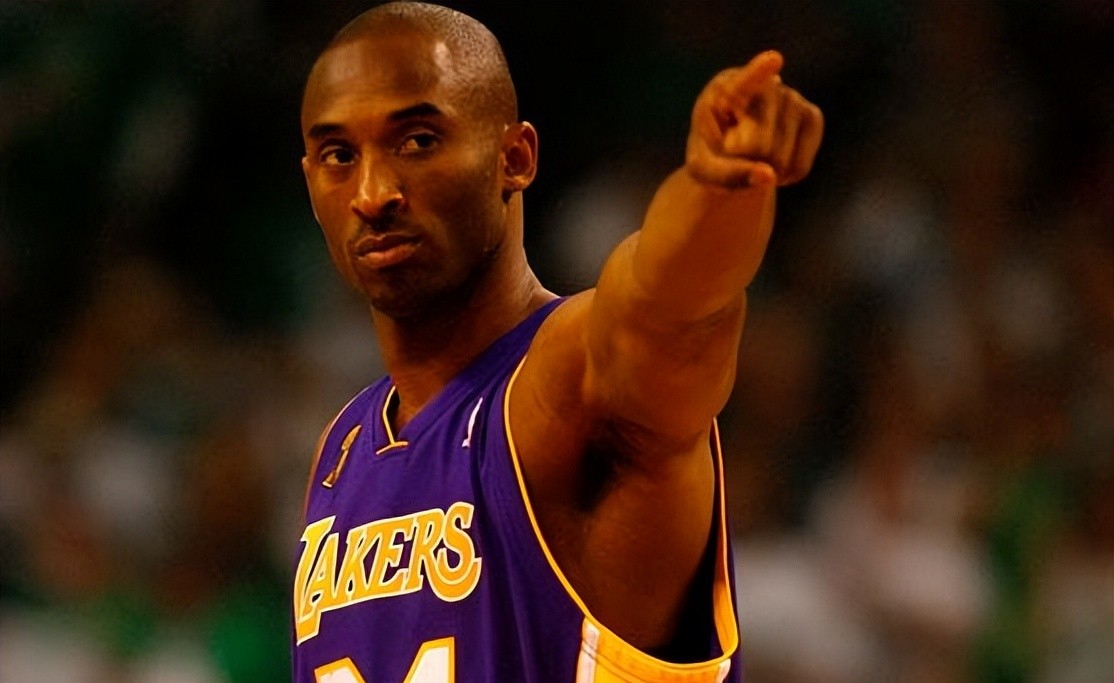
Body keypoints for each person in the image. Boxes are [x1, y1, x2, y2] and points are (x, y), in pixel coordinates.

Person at [291, 2, 823, 681]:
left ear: (514, 158)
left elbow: (665, 308)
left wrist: (718, 189)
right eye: (339, 155)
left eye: (418, 141)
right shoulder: (339, 448)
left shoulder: (569, 383)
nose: (372, 193)